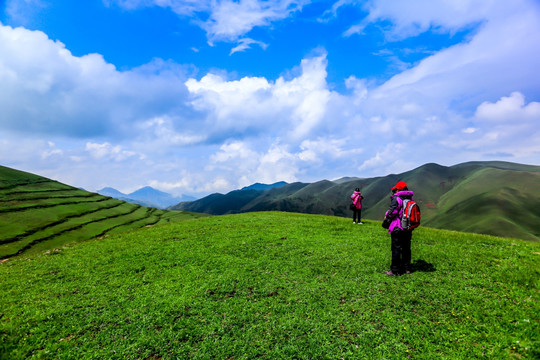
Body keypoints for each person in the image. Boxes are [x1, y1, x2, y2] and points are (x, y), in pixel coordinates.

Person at [383, 181, 414, 276]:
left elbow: (393, 212)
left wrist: (386, 215)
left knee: (396, 248)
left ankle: (395, 270)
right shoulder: (410, 199)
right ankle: (406, 268)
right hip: (408, 228)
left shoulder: (397, 198)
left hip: (398, 227)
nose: (394, 191)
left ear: (398, 189)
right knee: (406, 248)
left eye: (395, 189)